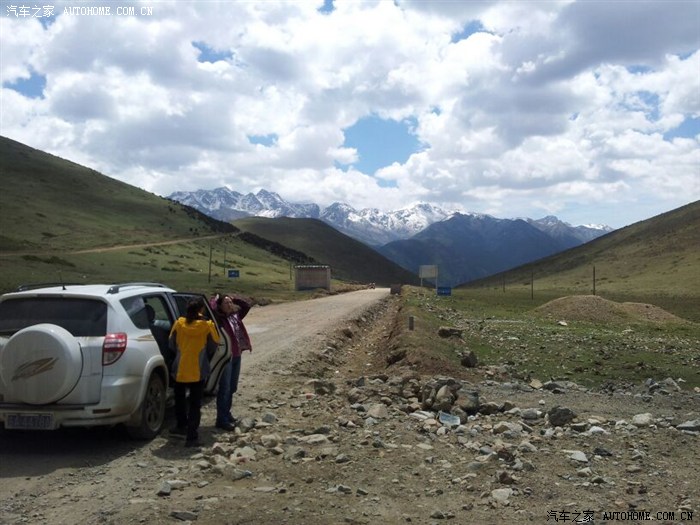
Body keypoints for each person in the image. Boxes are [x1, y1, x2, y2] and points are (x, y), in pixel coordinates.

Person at [168, 297, 220, 447]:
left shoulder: (179, 324)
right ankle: (191, 437)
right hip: (198, 369)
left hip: (180, 369)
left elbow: (171, 343)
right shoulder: (207, 325)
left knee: (179, 400)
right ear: (202, 310)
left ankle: (181, 426)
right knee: (195, 404)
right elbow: (214, 344)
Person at [210, 293, 252, 431]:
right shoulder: (219, 319)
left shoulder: (235, 316)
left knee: (232, 387)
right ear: (220, 306)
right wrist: (216, 300)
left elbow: (246, 305)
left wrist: (233, 298)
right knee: (225, 388)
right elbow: (211, 308)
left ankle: (227, 414)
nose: (229, 305)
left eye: (230, 303)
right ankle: (221, 419)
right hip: (226, 357)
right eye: (226, 303)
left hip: (237, 355)